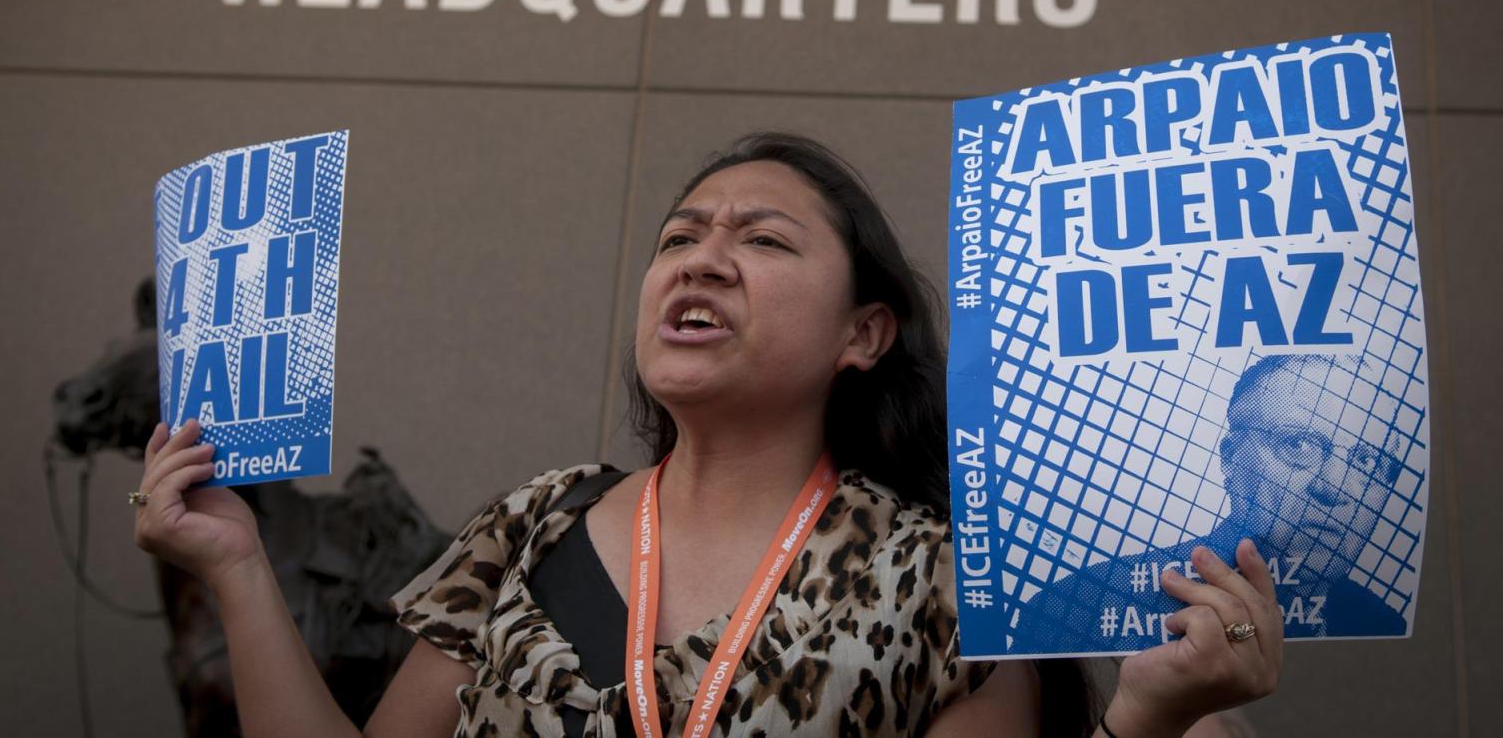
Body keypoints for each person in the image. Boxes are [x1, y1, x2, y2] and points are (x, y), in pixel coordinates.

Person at [134, 132, 1282, 737]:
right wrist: (236, 566)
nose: (704, 257)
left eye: (764, 239)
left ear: (863, 331)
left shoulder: (948, 581)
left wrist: (1150, 718)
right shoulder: (532, 525)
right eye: (680, 236)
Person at [1016, 353, 1407, 655]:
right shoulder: (1076, 610)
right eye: (1298, 445)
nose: (1335, 487)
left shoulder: (1381, 622)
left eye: (1368, 461)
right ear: (1231, 460)